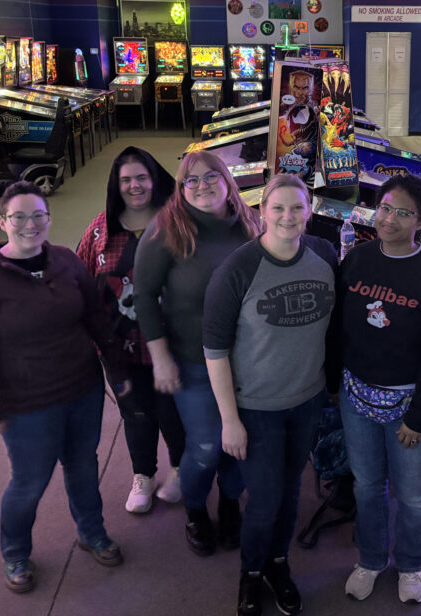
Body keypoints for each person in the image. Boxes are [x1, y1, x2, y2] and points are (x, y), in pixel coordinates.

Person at [0, 181, 127, 595]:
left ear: (49, 218)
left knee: (84, 466)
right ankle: (15, 553)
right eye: (19, 216)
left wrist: (116, 370)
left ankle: (93, 533)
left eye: (39, 215)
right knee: (29, 482)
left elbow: (95, 319)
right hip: (26, 404)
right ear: (3, 222)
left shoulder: (66, 261)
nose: (30, 225)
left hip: (82, 390)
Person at [203, 173, 337, 616]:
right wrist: (229, 420)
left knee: (292, 493)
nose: (287, 216)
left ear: (310, 211)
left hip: (307, 402)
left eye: (297, 208)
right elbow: (216, 350)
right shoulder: (238, 269)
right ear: (262, 212)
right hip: (256, 409)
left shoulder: (324, 255)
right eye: (277, 208)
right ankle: (251, 571)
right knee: (264, 499)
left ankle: (279, 564)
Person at [335, 174, 421, 605]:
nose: (388, 218)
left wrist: (418, 415)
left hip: (410, 403)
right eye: (384, 207)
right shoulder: (356, 260)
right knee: (367, 486)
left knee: (412, 494)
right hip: (357, 395)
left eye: (402, 212)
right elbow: (340, 328)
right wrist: (334, 383)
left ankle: (410, 564)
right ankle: (371, 559)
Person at [134, 151, 263, 555]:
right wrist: (159, 357)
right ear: (181, 188)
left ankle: (228, 504)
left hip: (248, 362)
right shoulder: (166, 230)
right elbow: (144, 295)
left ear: (228, 181)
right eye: (191, 180)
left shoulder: (250, 224)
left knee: (242, 444)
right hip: (192, 360)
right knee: (206, 445)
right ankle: (195, 511)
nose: (202, 185)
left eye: (211, 177)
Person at [77, 146, 182, 515]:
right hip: (119, 348)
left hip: (173, 346)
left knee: (173, 412)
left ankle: (180, 468)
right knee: (135, 412)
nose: (134, 186)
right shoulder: (98, 231)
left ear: (154, 180)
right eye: (126, 180)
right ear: (115, 185)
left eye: (142, 177)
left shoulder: (177, 224)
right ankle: (143, 475)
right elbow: (83, 287)